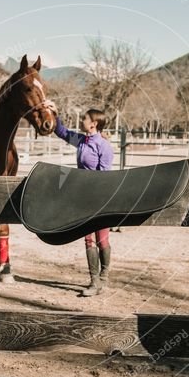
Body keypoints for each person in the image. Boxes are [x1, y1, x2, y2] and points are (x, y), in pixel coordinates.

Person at [52, 108, 115, 296]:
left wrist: (97, 197)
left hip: (99, 198)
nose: (82, 121)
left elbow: (104, 177)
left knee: (102, 240)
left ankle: (104, 277)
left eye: (85, 118)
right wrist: (54, 114)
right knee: (88, 240)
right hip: (84, 198)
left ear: (94, 123)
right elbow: (62, 132)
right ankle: (94, 281)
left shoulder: (103, 146)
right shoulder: (81, 140)